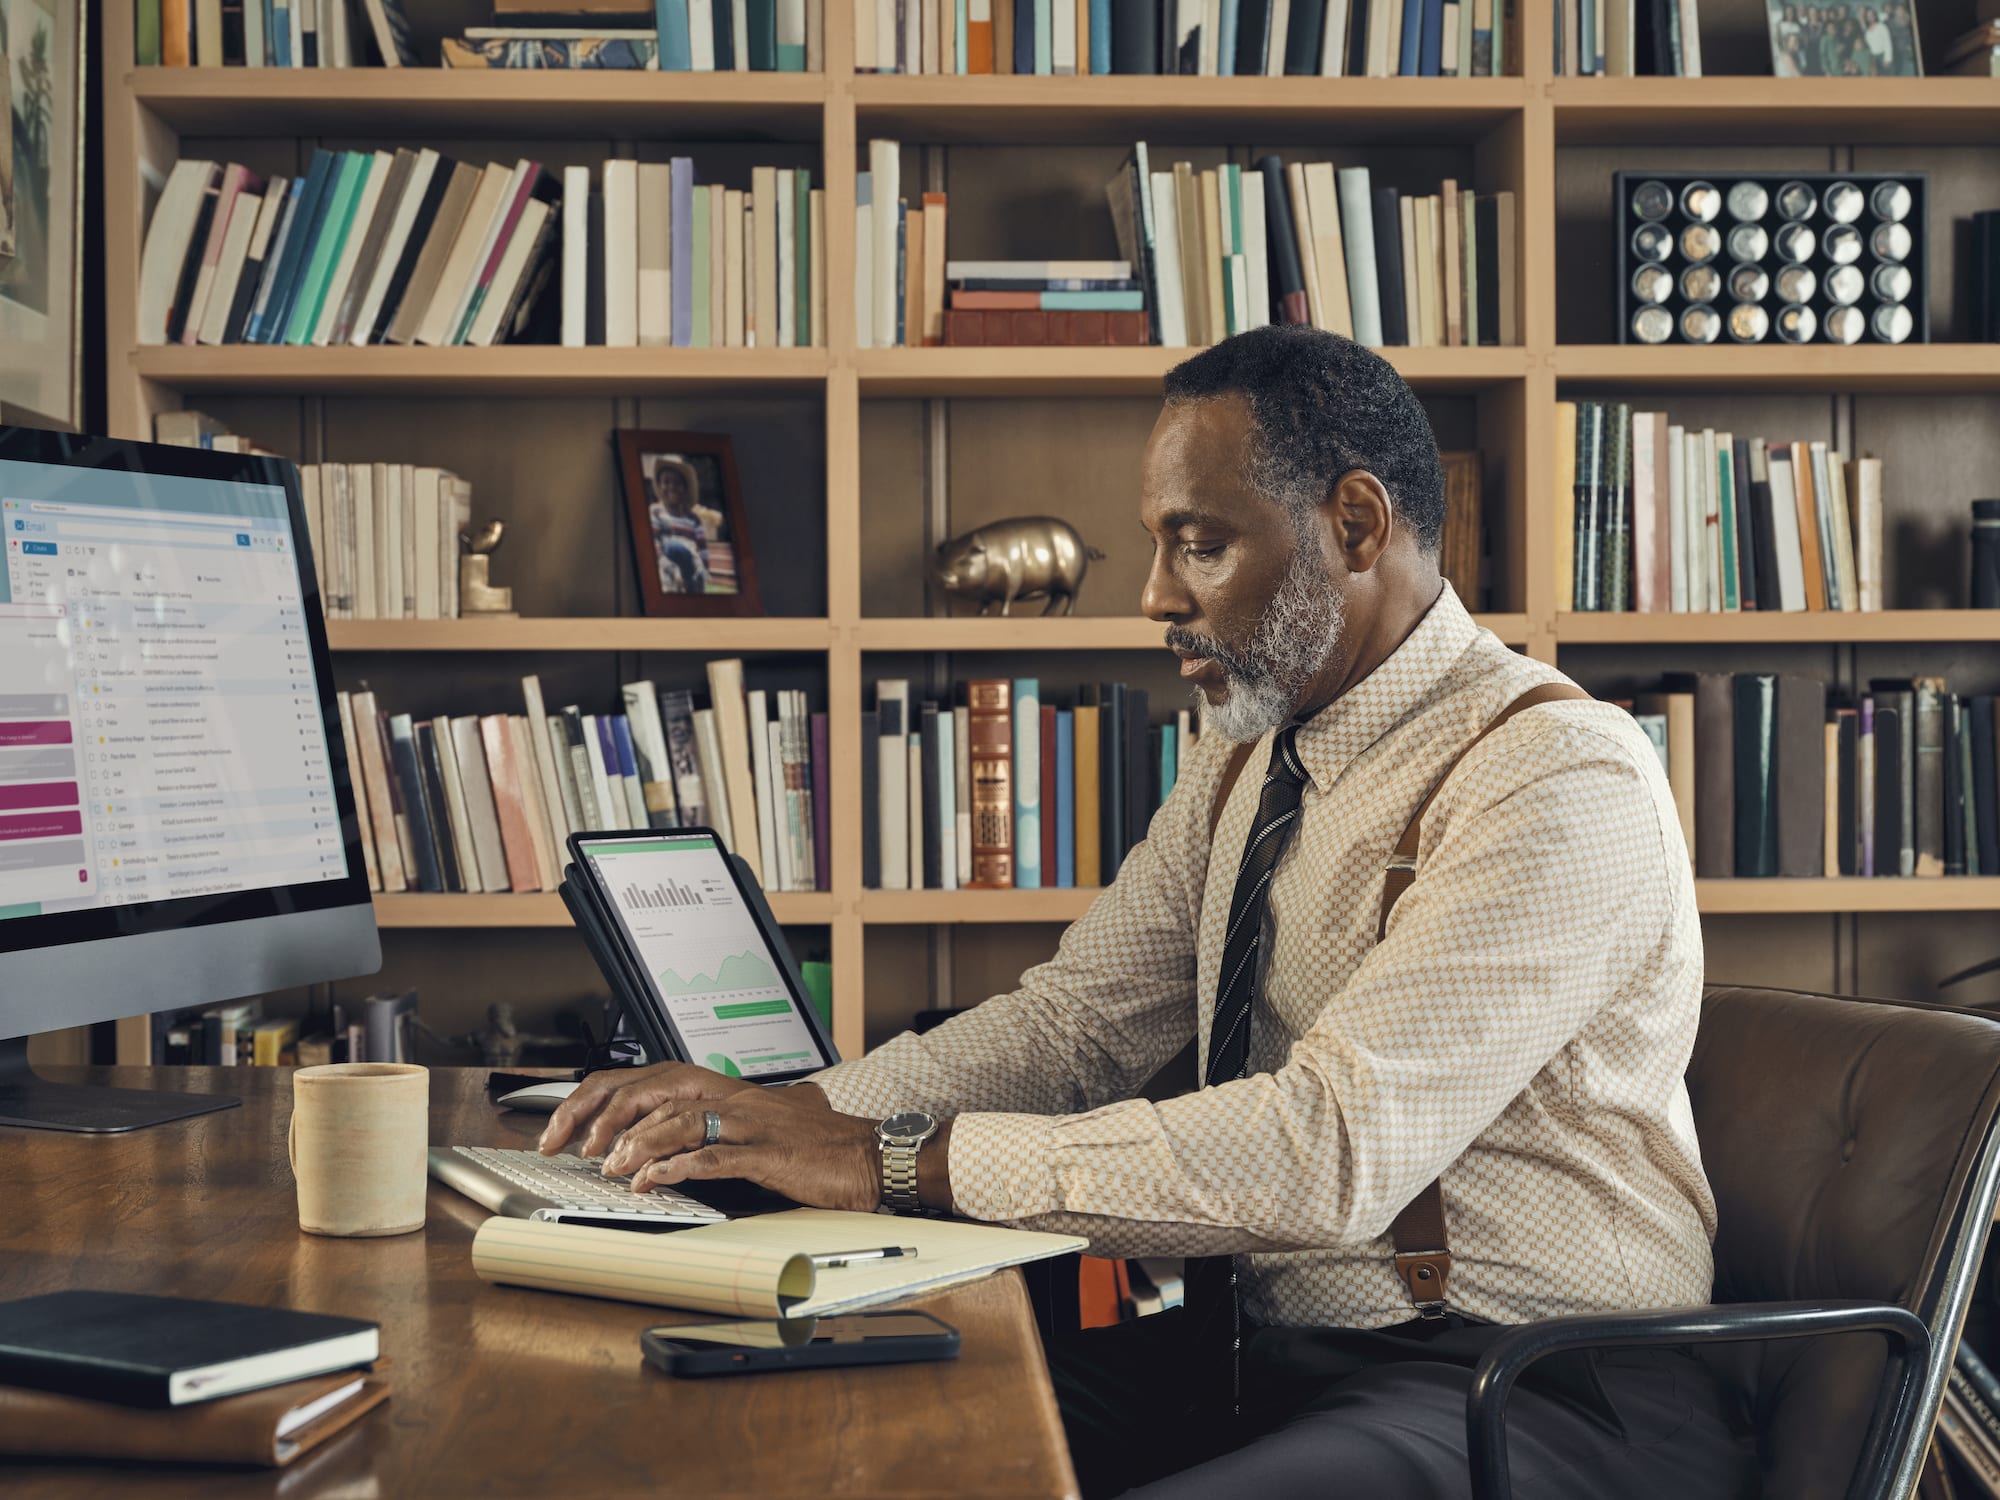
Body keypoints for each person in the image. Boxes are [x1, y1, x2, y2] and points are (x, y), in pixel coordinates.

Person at [540, 327, 1754, 1497]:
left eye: (1199, 546)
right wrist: (792, 1114)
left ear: (1354, 525)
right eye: (1156, 546)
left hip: (1531, 1387)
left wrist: (881, 1160)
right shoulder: (1243, 760)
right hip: (1266, 1364)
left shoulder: (1552, 777)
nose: (1155, 595)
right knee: (837, 1433)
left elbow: (1326, 1152)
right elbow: (1074, 1030)